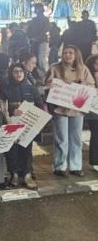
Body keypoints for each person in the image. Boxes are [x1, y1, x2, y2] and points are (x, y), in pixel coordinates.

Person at [46, 45, 95, 176]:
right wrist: (54, 85)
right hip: (60, 108)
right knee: (61, 139)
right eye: (65, 53)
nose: (67, 55)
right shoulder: (54, 68)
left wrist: (79, 85)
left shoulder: (83, 69)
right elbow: (47, 84)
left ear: (76, 55)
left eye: (70, 53)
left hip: (77, 109)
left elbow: (91, 85)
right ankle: (60, 167)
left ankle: (76, 166)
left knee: (76, 139)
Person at [4, 63, 41, 189]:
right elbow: (1, 106)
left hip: (28, 125)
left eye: (21, 71)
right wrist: (12, 111)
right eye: (15, 71)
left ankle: (27, 175)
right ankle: (13, 174)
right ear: (11, 73)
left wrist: (32, 113)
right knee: (12, 150)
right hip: (11, 123)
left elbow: (40, 105)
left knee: (26, 150)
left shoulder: (31, 89)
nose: (18, 74)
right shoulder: (6, 89)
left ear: (24, 73)